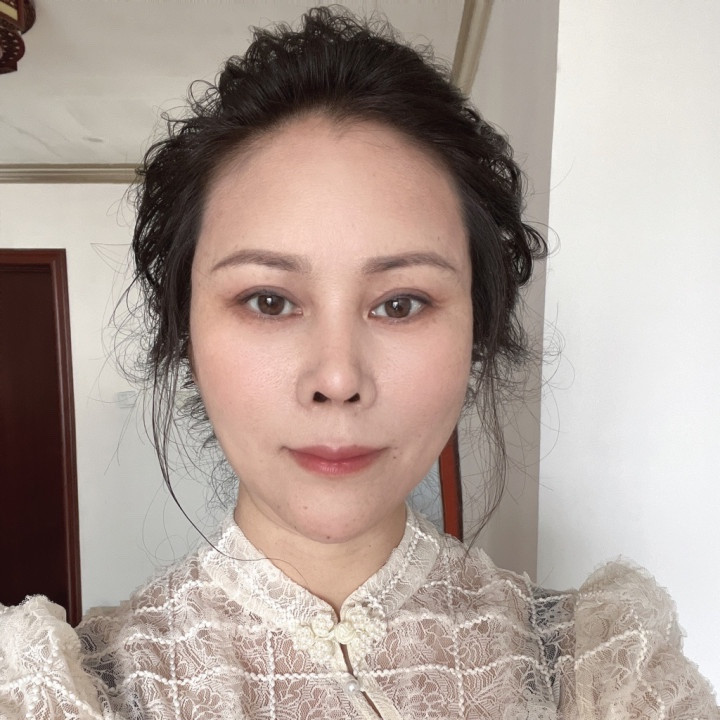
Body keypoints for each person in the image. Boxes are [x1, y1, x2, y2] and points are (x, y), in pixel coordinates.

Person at [1, 7, 718, 719]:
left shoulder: (601, 669)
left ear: (479, 333)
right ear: (184, 333)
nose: (338, 379)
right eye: (269, 301)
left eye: (401, 304)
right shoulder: (68, 691)